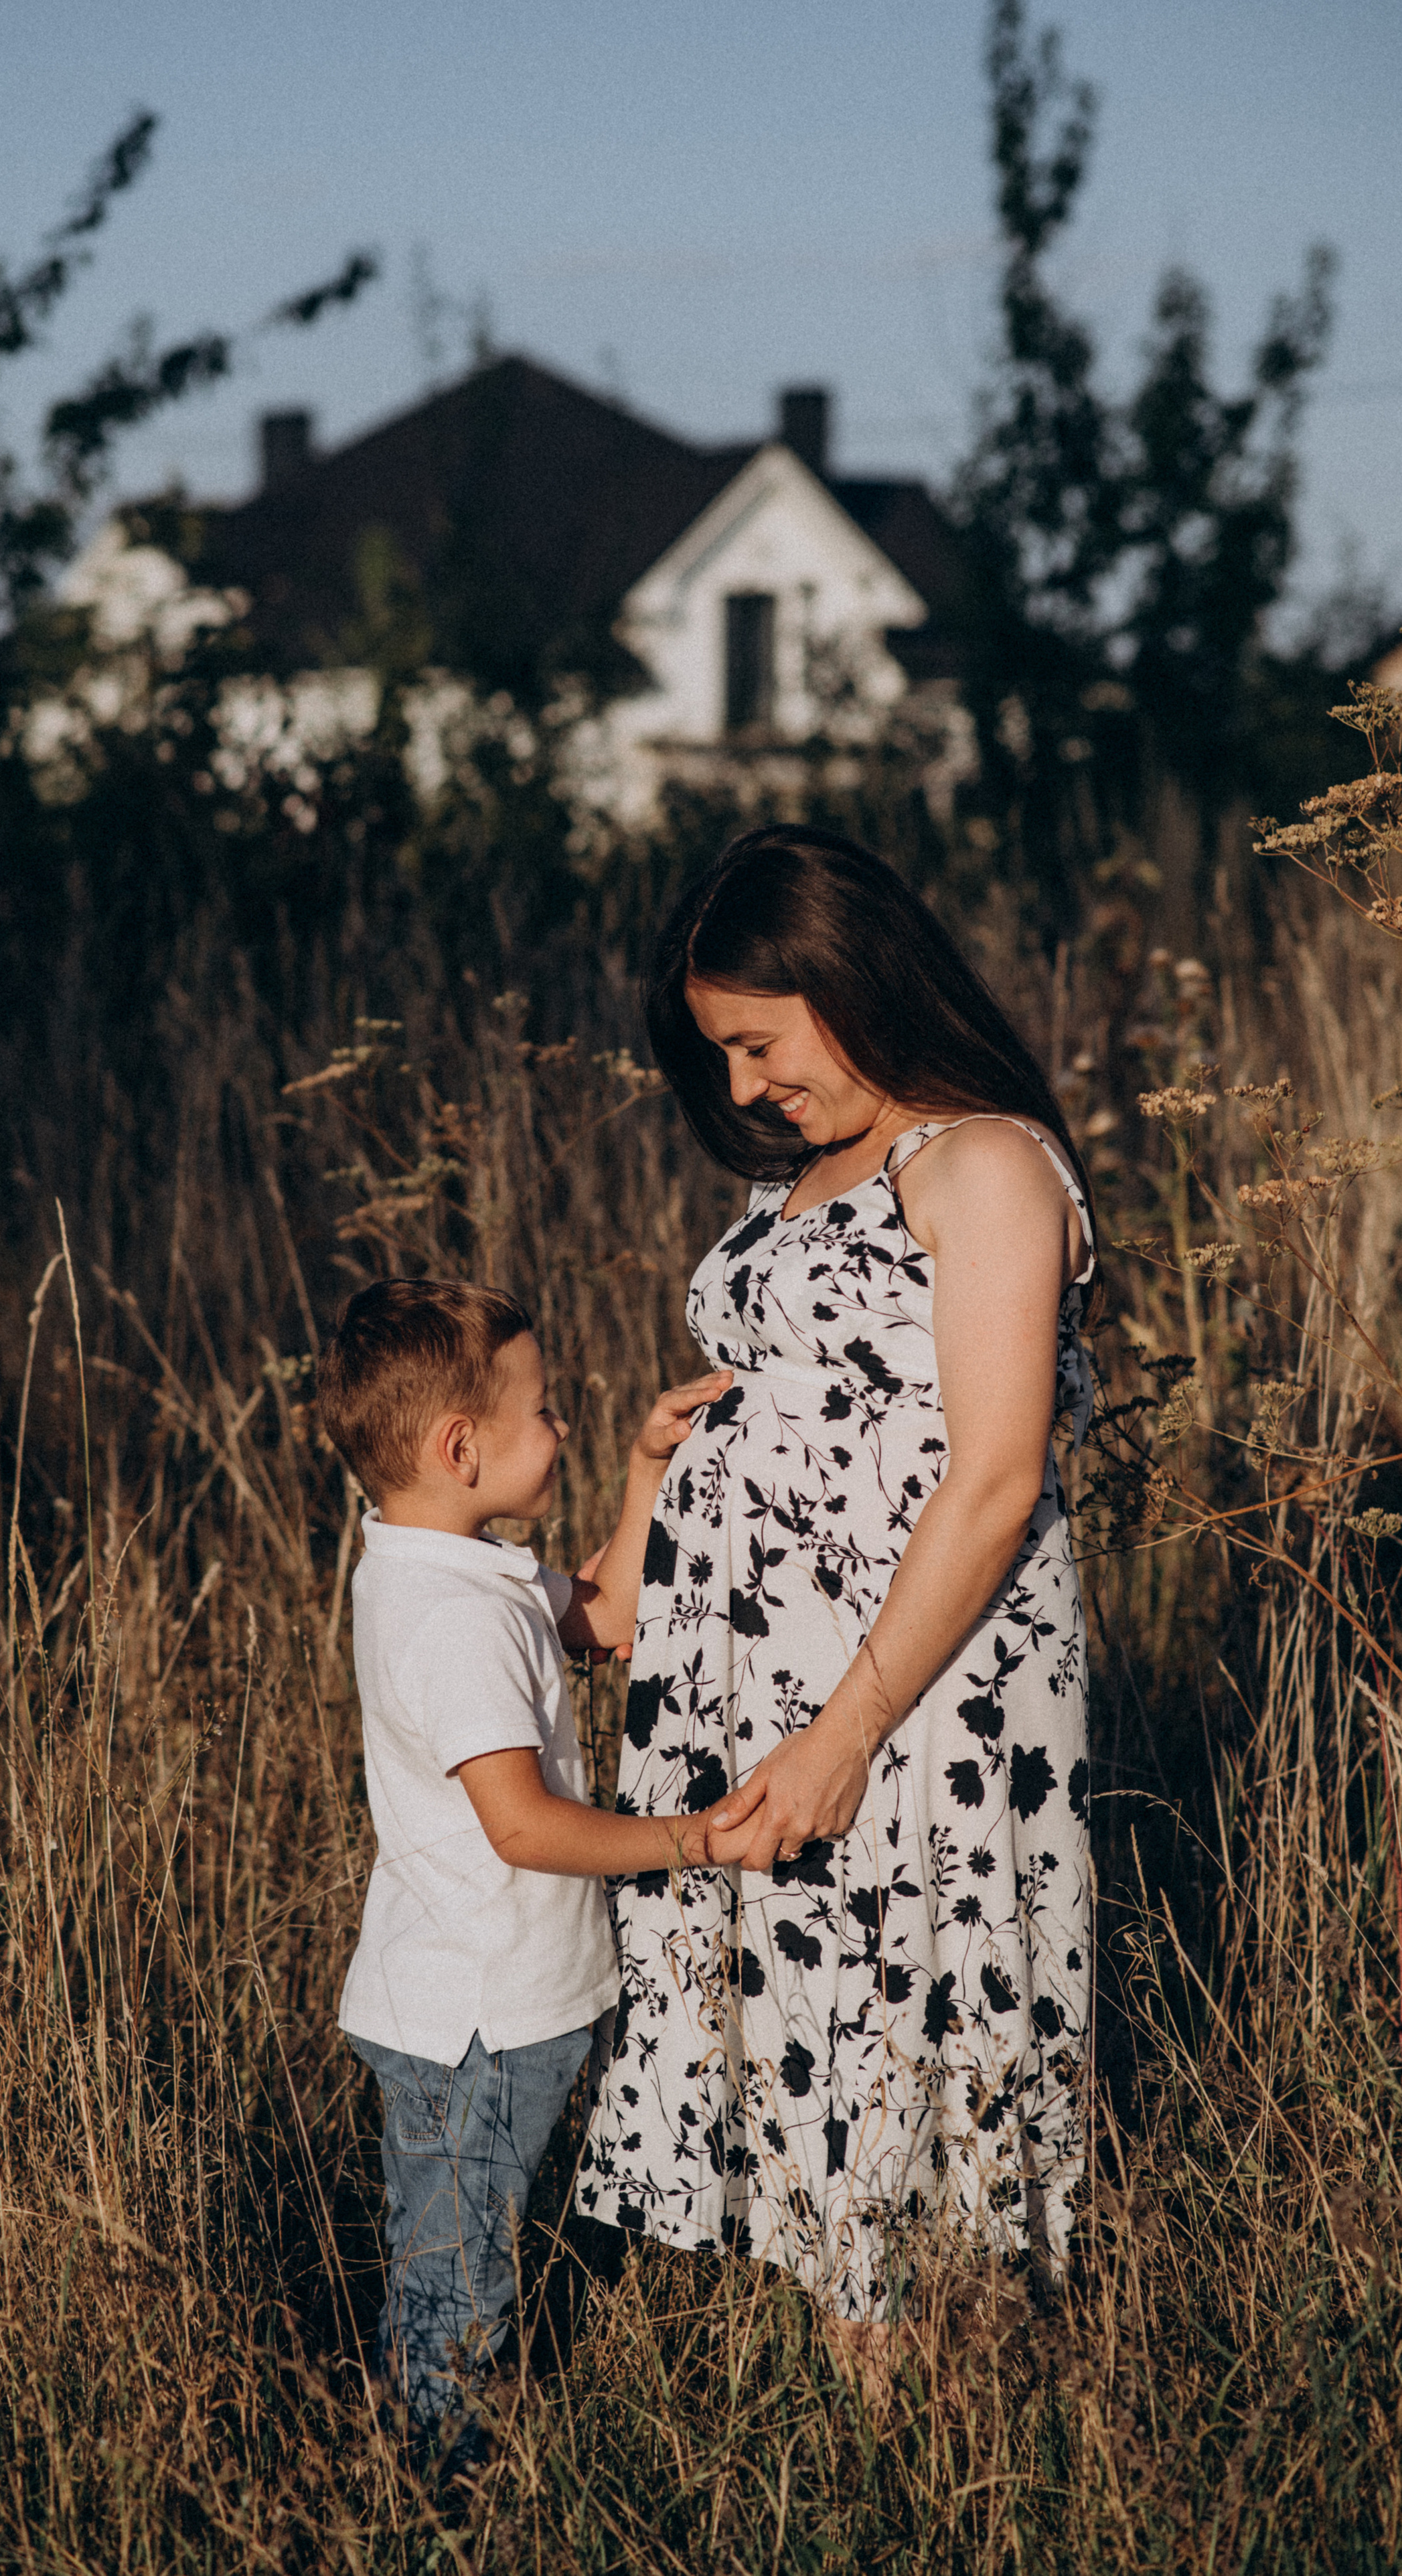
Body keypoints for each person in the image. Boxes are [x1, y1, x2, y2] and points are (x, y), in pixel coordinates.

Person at [578, 825, 1097, 2330]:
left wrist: (841, 1730)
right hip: (773, 1681)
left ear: (841, 974)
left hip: (913, 1694)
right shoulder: (819, 1167)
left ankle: (957, 2457)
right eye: (717, 1056)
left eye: (752, 1041)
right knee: (816, 2027)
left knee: (912, 2016)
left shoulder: (981, 1158)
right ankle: (885, 2454)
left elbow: (993, 1475)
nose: (738, 1088)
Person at [318, 1276, 747, 2466]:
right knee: (459, 2287)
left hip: (493, 2004)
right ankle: (439, 2495)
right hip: (475, 2020)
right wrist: (701, 1840)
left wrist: (646, 1468)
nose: (562, 1425)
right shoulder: (447, 1616)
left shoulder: (452, 1564)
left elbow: (605, 1618)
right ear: (462, 1447)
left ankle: (443, 2457)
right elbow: (524, 1825)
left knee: (469, 2250)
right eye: (547, 1410)